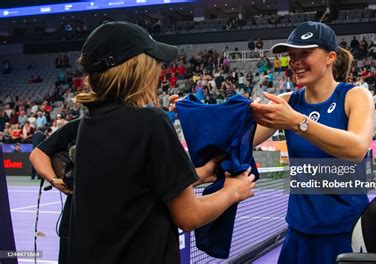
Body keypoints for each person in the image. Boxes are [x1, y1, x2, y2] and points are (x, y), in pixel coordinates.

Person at [32, 21, 256, 264]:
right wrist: (234, 191)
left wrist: (203, 173)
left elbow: (136, 187)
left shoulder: (88, 124)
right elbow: (190, 216)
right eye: (154, 62)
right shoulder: (152, 122)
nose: (159, 69)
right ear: (139, 69)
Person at [250, 22, 374, 263]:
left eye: (305, 53)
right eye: (292, 56)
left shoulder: (355, 96)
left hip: (346, 233)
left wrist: (297, 122)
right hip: (298, 233)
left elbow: (357, 148)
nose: (295, 62)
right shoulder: (286, 102)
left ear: (330, 57)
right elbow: (241, 142)